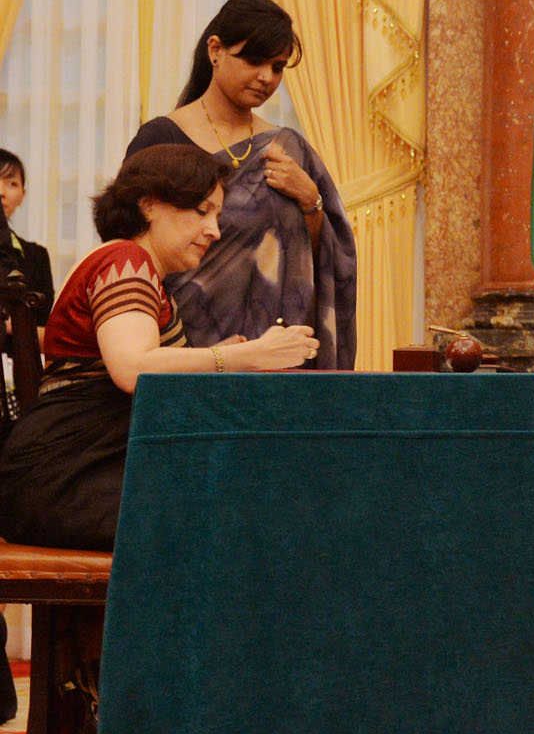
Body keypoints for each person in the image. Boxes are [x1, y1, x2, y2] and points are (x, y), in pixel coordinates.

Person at [0, 145, 316, 552]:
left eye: (217, 216)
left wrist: (218, 356)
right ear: (149, 205)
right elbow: (132, 369)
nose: (215, 231)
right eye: (202, 211)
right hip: (63, 481)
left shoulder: (133, 267)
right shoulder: (126, 259)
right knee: (250, 512)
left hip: (69, 475)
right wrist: (246, 355)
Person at [127, 0, 355, 368]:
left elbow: (314, 262)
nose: (267, 77)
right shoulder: (161, 138)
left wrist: (311, 201)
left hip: (275, 354)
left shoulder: (287, 148)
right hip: (180, 348)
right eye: (254, 60)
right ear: (215, 50)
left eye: (278, 67)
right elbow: (129, 247)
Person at [0, 148, 55, 324]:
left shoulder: (37, 256)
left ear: (22, 196)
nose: (1, 192)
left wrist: (7, 327)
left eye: (12, 183)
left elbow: (46, 330)